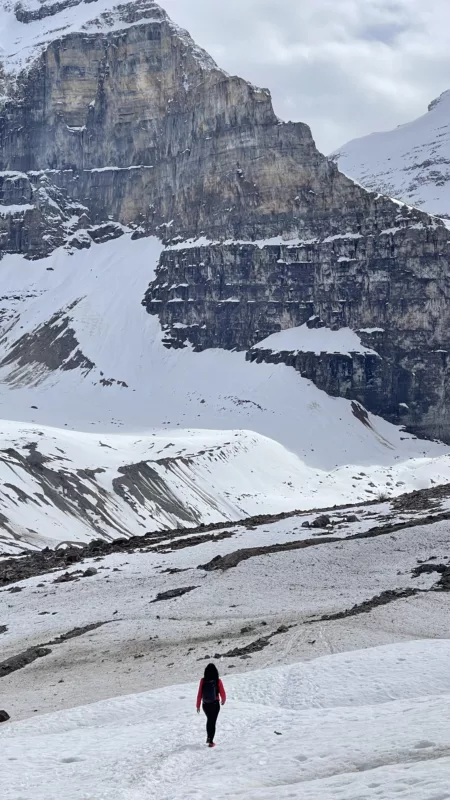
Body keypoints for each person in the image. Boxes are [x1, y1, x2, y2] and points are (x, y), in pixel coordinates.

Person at [196, 662, 226, 747]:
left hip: (205, 704)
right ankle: (211, 741)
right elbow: (222, 692)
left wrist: (198, 706)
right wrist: (223, 700)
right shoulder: (218, 680)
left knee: (209, 720)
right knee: (212, 722)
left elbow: (199, 694)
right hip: (215, 704)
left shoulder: (203, 680)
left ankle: (209, 737)